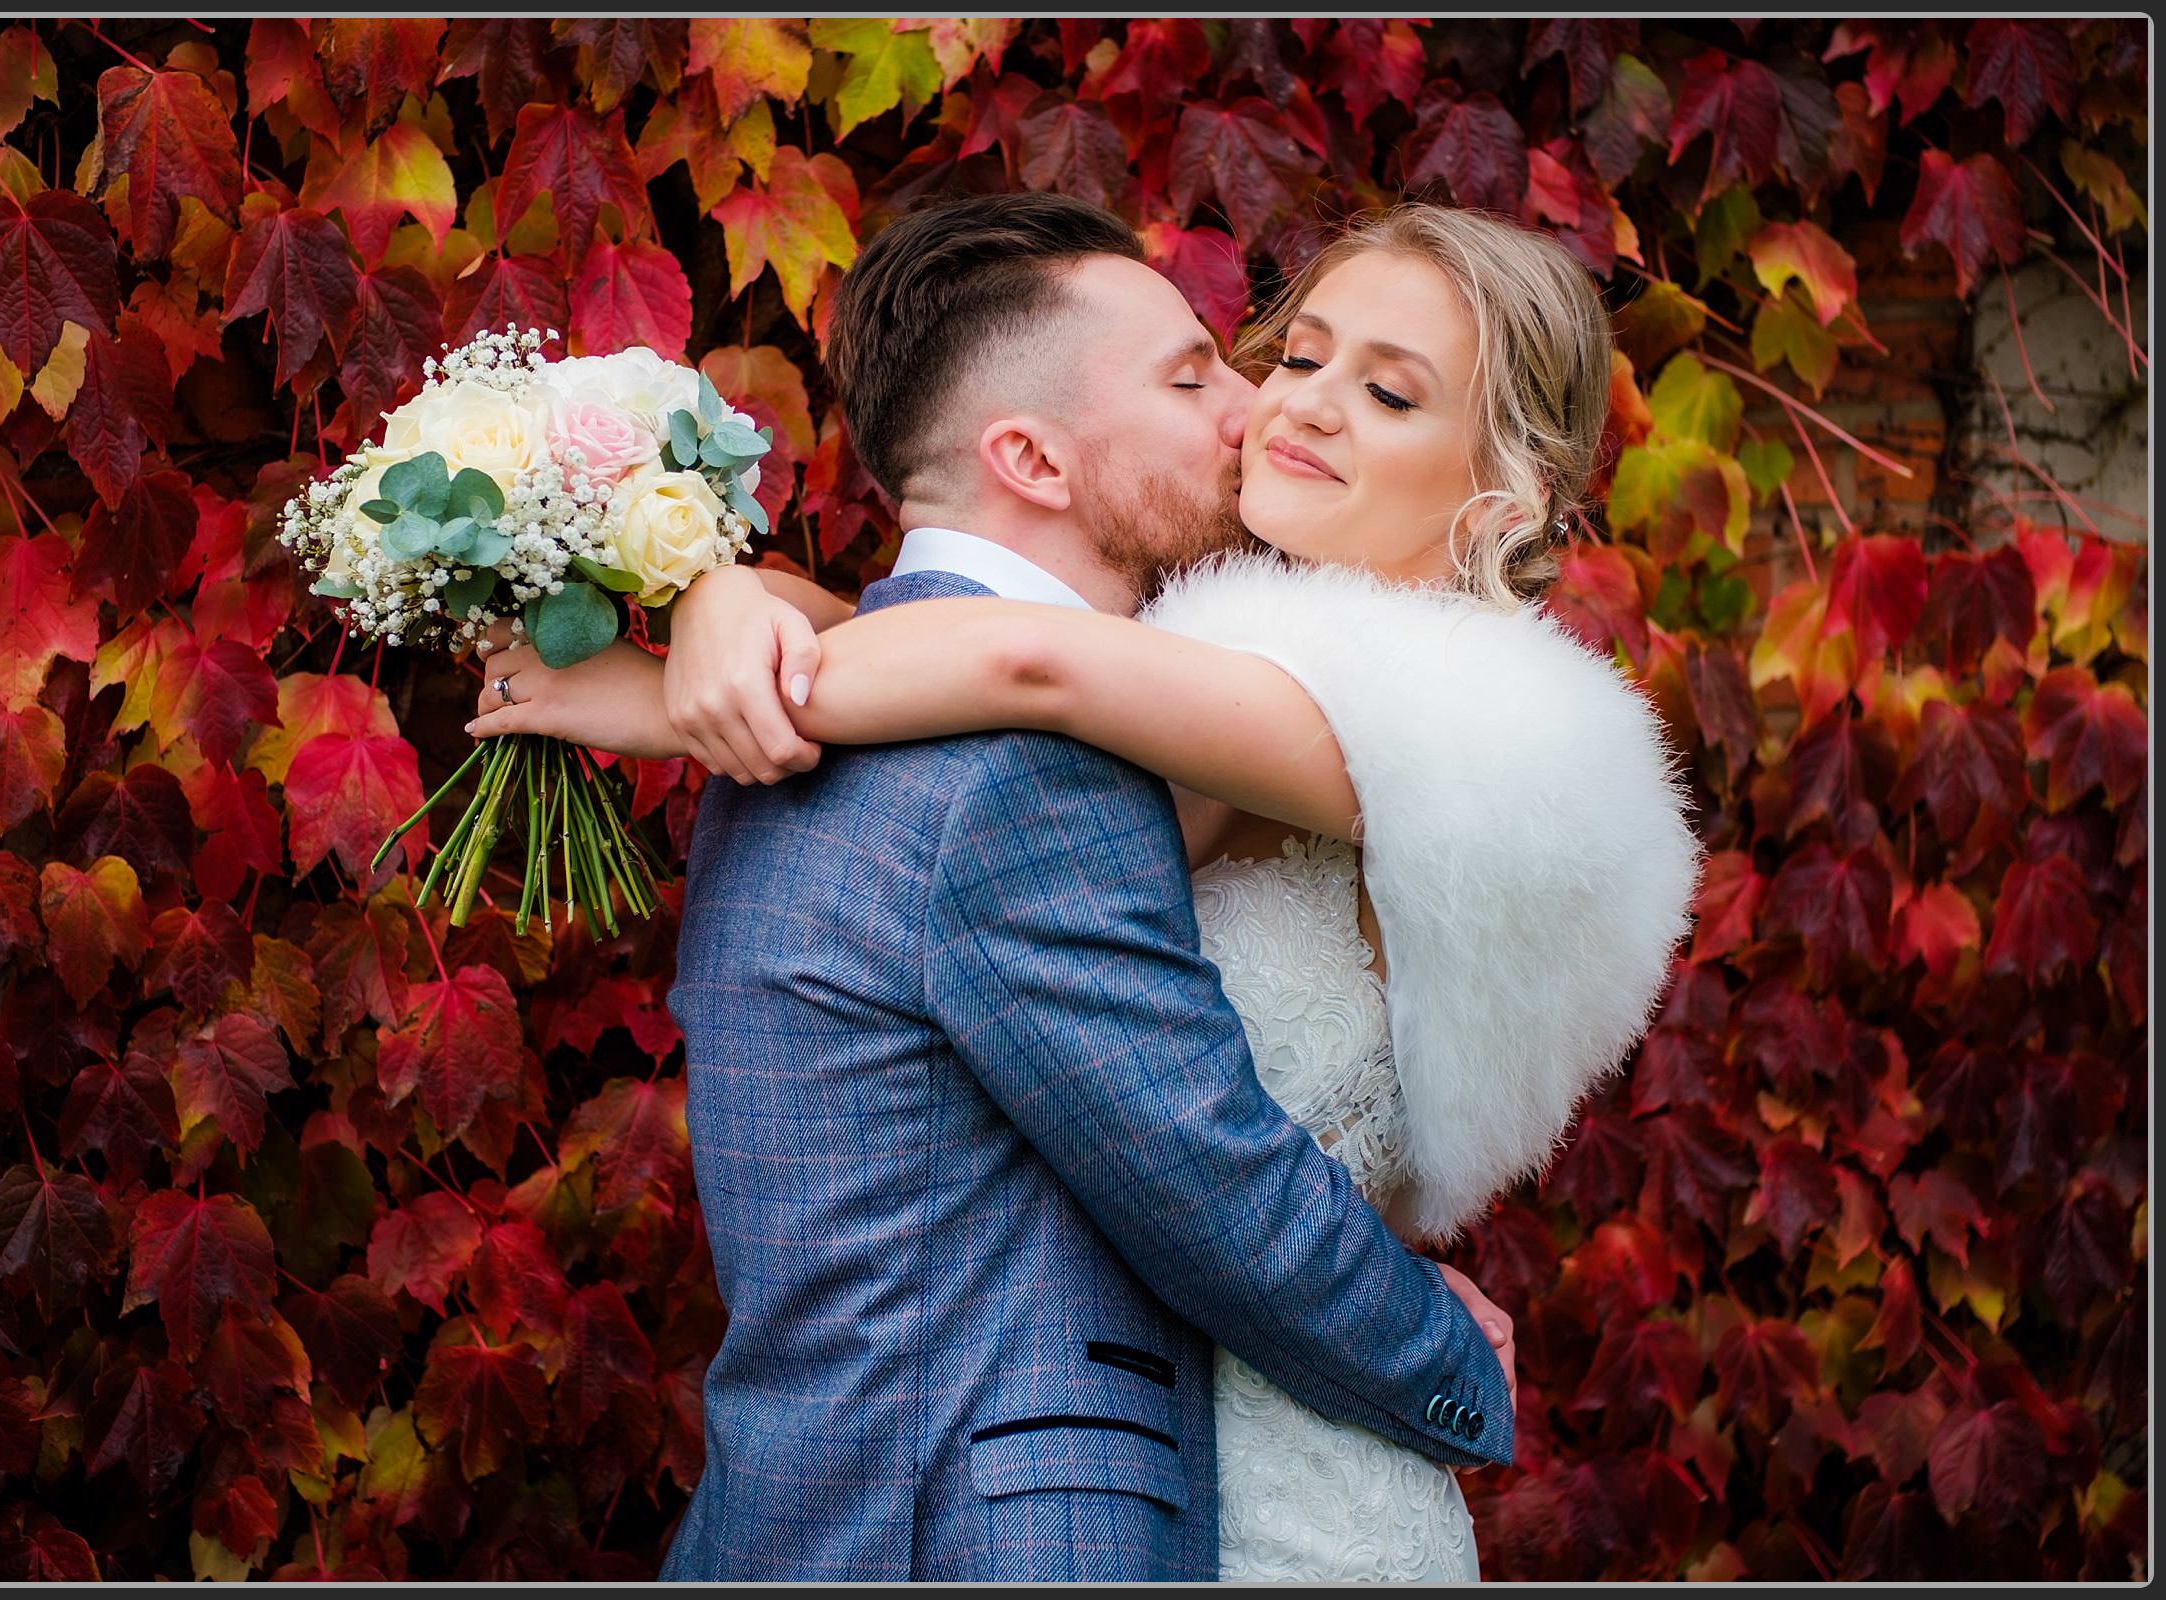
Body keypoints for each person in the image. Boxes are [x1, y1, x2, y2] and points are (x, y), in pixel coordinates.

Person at [471, 196, 1696, 1580]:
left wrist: (705, 645)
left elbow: (1024, 665)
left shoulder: (1421, 717)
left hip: (1221, 1465)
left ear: (1505, 493)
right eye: (1272, 362)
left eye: (1389, 389)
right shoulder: (1061, 752)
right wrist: (728, 610)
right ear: (1033, 458)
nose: (1262, 406)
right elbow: (1201, 1166)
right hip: (1044, 1501)